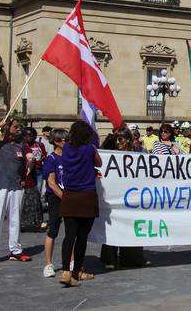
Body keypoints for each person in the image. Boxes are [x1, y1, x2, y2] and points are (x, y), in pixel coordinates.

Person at [0, 118, 32, 266]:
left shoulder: (21, 146)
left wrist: (24, 178)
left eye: (19, 127)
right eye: (15, 126)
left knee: (15, 220)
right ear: (8, 128)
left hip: (16, 187)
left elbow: (23, 165)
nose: (19, 129)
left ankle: (15, 250)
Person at [100, 128, 150, 270]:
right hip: (113, 197)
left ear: (128, 139)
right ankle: (109, 258)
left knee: (132, 227)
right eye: (116, 139)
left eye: (121, 139)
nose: (118, 142)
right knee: (112, 226)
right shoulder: (110, 154)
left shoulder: (139, 155)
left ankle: (133, 258)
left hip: (133, 197)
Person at [59, 120, 101, 287]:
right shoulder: (89, 149)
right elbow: (99, 163)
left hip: (69, 196)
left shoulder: (66, 148)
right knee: (82, 237)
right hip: (86, 196)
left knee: (69, 236)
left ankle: (65, 271)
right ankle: (77, 270)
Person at [42, 128, 67, 278]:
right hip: (56, 198)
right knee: (53, 230)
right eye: (65, 140)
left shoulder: (69, 157)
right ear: (57, 142)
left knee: (71, 232)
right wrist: (64, 197)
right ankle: (48, 264)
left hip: (69, 196)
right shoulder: (51, 159)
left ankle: (70, 262)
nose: (67, 142)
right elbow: (51, 182)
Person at [21, 127, 45, 232]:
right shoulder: (22, 146)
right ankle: (23, 221)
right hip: (25, 174)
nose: (28, 137)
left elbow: (44, 155)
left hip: (37, 172)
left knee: (36, 196)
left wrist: (39, 159)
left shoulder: (39, 145)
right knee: (24, 199)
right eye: (26, 135)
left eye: (30, 135)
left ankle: (36, 221)